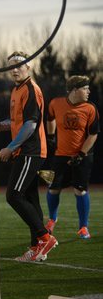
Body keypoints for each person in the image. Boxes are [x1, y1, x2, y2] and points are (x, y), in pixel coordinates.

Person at [0, 51, 57, 262]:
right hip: (26, 151)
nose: (15, 69)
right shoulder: (17, 90)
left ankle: (45, 238)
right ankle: (37, 248)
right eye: (12, 66)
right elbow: (16, 122)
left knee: (14, 195)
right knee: (30, 198)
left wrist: (10, 147)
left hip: (31, 151)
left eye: (20, 65)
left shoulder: (30, 89)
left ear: (29, 67)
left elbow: (31, 124)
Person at [45, 75, 99, 239]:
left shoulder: (90, 109)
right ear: (75, 90)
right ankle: (52, 220)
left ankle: (83, 227)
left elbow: (93, 135)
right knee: (53, 189)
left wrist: (81, 154)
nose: (88, 91)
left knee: (80, 190)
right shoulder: (55, 103)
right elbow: (50, 118)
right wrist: (51, 136)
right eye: (85, 88)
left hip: (82, 156)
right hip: (60, 155)